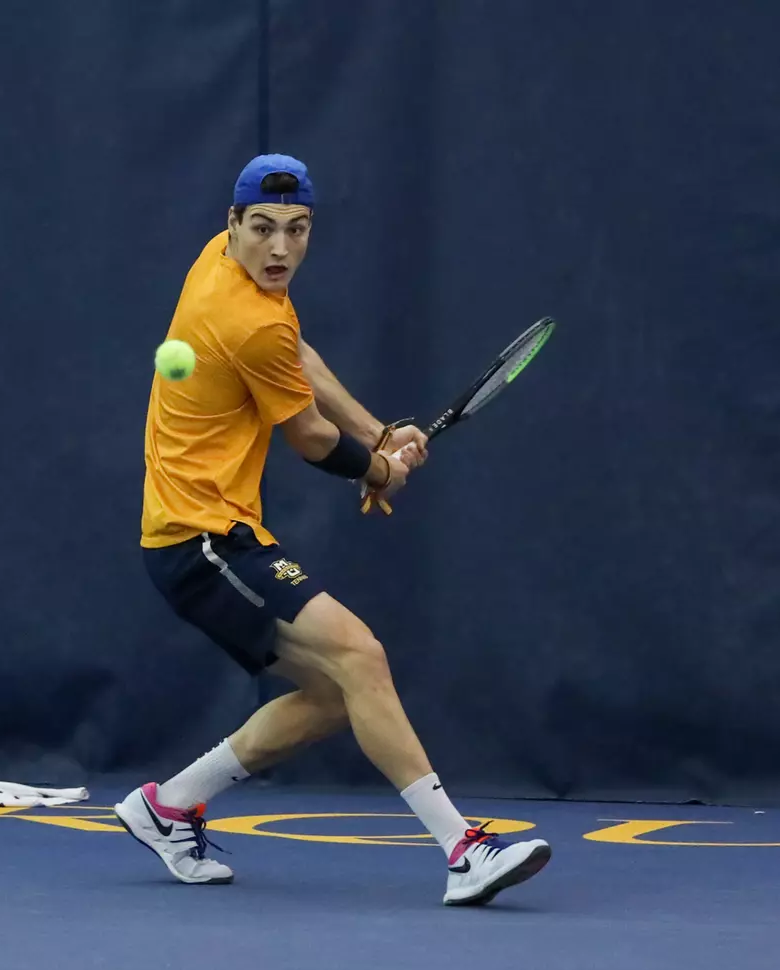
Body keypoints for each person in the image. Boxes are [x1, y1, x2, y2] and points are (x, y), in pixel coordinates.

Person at [114, 154, 551, 906]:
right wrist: (377, 470)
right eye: (263, 230)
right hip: (200, 540)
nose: (279, 248)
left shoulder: (232, 270)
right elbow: (311, 440)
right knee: (360, 654)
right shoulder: (243, 317)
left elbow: (301, 357)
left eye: (297, 230)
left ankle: (167, 805)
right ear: (233, 227)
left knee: (330, 693)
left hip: (212, 534)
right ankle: (462, 850)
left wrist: (380, 432)